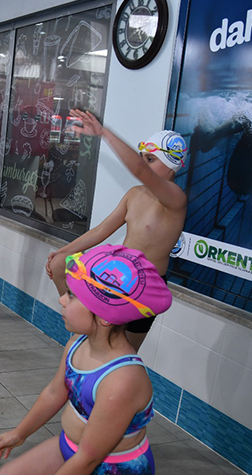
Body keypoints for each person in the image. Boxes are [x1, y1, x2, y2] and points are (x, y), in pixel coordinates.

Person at [0, 244, 173, 475]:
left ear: (105, 315)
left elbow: (89, 458)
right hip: (72, 448)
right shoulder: (77, 344)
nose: (61, 300)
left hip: (113, 474)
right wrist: (20, 433)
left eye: (72, 296)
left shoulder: (122, 380)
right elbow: (54, 393)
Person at [46, 109, 187, 351]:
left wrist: (104, 133)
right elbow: (101, 231)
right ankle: (82, 334)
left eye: (151, 159)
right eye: (143, 158)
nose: (144, 165)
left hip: (145, 288)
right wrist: (63, 251)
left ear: (171, 166)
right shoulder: (134, 194)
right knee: (60, 264)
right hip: (118, 278)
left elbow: (139, 170)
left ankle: (100, 356)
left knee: (122, 353)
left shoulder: (175, 200)